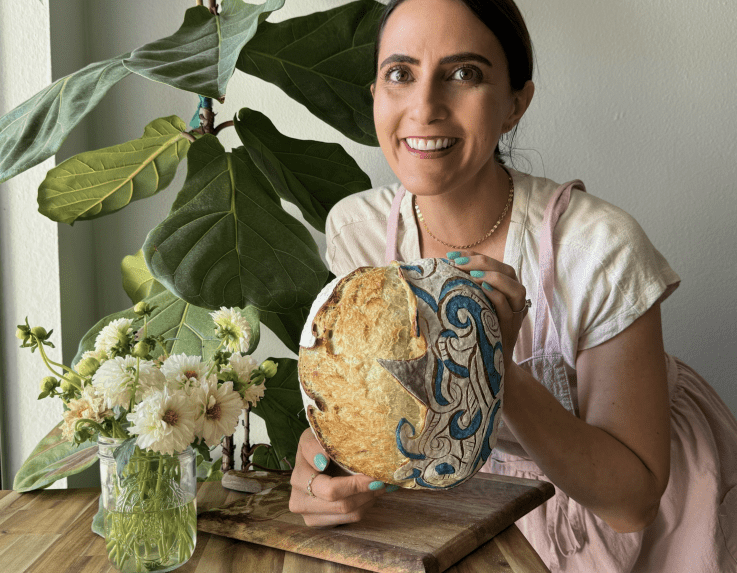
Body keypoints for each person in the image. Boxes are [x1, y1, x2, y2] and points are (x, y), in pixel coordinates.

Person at [287, 0, 737, 570]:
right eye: (400, 74)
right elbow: (378, 417)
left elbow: (632, 502)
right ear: (374, 93)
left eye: (464, 74)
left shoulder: (599, 251)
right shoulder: (359, 233)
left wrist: (495, 364)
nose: (424, 107)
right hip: (452, 516)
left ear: (514, 104)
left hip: (617, 525)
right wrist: (325, 465)